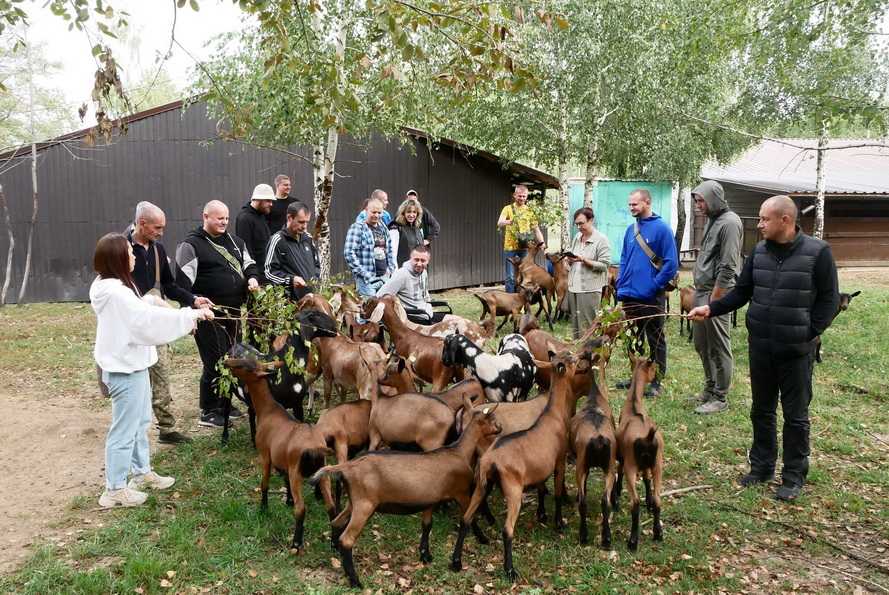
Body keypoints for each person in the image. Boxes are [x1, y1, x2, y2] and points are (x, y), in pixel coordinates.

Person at [688, 195, 839, 501]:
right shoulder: (759, 252)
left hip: (795, 351)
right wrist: (711, 309)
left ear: (785, 220)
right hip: (761, 347)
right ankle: (762, 467)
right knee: (762, 410)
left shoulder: (817, 252)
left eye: (764, 219)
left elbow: (829, 299)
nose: (759, 225)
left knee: (795, 416)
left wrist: (809, 333)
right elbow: (741, 293)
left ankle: (794, 476)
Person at [90, 233, 214, 507]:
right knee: (125, 430)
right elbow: (144, 323)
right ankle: (114, 489)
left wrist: (151, 301)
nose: (134, 256)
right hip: (125, 368)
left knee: (140, 422)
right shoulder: (116, 293)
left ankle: (141, 472)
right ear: (117, 259)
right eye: (129, 253)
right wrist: (190, 315)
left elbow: (137, 312)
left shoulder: (113, 286)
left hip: (132, 364)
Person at [125, 202, 214, 445]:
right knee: (133, 381)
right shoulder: (121, 248)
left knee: (161, 373)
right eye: (157, 227)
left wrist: (193, 300)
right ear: (141, 223)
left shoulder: (158, 250)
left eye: (163, 227)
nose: (161, 232)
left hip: (155, 324)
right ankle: (130, 427)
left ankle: (166, 428)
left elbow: (170, 287)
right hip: (129, 327)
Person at [175, 200, 260, 428]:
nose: (223, 222)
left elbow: (250, 264)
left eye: (226, 218)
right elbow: (181, 284)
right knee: (214, 360)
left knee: (232, 357)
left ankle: (225, 403)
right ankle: (209, 409)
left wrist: (252, 278)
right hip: (208, 314)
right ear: (206, 217)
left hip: (233, 312)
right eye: (219, 218)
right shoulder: (191, 245)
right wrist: (192, 310)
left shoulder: (235, 242)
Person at [615, 188, 678, 398]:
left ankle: (657, 381)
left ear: (647, 202)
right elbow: (624, 258)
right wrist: (620, 284)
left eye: (635, 204)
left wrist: (654, 285)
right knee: (634, 339)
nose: (631, 207)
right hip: (630, 295)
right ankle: (637, 375)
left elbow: (671, 264)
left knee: (656, 339)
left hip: (651, 296)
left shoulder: (662, 229)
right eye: (630, 204)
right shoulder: (630, 230)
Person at [688, 181, 743, 415]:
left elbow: (729, 266)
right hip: (702, 291)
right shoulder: (713, 219)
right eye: (696, 201)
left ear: (714, 199)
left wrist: (715, 303)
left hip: (716, 294)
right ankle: (709, 388)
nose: (698, 206)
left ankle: (720, 397)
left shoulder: (730, 223)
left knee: (719, 346)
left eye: (701, 200)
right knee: (702, 343)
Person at [565, 207, 611, 339]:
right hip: (574, 287)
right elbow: (573, 258)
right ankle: (578, 354)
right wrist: (569, 260)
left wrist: (584, 260)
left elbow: (604, 265)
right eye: (577, 224)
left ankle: (591, 356)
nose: (579, 227)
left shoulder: (601, 239)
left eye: (582, 223)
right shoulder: (577, 237)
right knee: (576, 327)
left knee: (588, 326)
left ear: (591, 220)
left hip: (590, 289)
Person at [265, 201, 320, 301]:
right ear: (290, 218)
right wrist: (290, 280)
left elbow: (317, 265)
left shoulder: (308, 238)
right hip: (289, 303)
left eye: (307, 222)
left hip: (311, 299)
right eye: (301, 222)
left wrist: (315, 279)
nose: (304, 226)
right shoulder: (277, 240)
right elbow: (269, 272)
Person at [377, 245, 444, 324]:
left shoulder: (424, 273)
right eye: (416, 260)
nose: (419, 264)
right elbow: (380, 295)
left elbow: (425, 296)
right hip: (414, 318)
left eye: (423, 261)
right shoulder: (402, 274)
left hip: (426, 314)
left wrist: (429, 306)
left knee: (457, 321)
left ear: (428, 261)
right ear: (410, 258)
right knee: (452, 326)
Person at [497, 184, 545, 293]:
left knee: (525, 274)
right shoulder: (508, 209)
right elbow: (499, 223)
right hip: (510, 247)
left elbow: (536, 229)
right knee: (510, 276)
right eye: (520, 196)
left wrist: (542, 243)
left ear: (527, 196)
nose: (522, 198)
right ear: (515, 195)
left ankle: (523, 300)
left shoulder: (529, 211)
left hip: (524, 247)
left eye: (524, 196)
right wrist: (509, 221)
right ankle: (510, 299)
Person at [344, 197, 395, 297]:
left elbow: (389, 250)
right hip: (367, 281)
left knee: (385, 309)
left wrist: (391, 270)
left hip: (384, 278)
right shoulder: (357, 228)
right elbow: (349, 253)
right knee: (370, 310)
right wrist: (363, 273)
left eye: (379, 213)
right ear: (366, 210)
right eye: (374, 212)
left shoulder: (383, 227)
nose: (377, 215)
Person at [235, 184, 275, 285]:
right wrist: (253, 276)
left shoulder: (261, 215)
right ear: (259, 199)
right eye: (268, 201)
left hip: (267, 272)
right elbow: (245, 251)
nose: (271, 204)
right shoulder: (244, 218)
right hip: (256, 278)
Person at [389, 198, 425, 266]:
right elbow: (392, 253)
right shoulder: (396, 228)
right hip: (402, 270)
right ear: (403, 213)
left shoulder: (418, 229)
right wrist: (396, 272)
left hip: (417, 270)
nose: (411, 215)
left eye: (414, 212)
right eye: (409, 212)